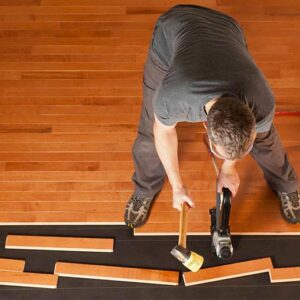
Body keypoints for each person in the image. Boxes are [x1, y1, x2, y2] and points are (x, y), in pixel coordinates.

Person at [124, 4, 299, 228]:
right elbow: (163, 132)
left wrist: (228, 169)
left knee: (267, 138)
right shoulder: (173, 97)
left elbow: (248, 140)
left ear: (250, 118)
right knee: (151, 131)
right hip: (174, 28)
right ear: (206, 127)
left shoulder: (261, 100)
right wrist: (177, 187)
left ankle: (287, 186)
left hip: (225, 28)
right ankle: (144, 189)